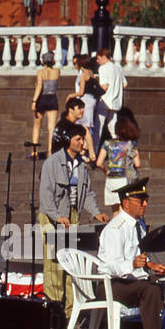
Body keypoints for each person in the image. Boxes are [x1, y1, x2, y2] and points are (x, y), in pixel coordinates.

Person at [38, 126, 108, 316]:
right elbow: (45, 194)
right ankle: (54, 311)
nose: (82, 143)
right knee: (54, 264)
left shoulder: (81, 165)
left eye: (83, 139)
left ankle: (70, 312)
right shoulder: (52, 163)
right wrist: (56, 216)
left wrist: (96, 213)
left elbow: (88, 193)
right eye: (78, 139)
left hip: (71, 216)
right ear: (68, 139)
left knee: (70, 263)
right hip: (52, 217)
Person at [95, 177, 165, 329]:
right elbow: (112, 265)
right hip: (112, 284)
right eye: (141, 201)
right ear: (126, 203)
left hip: (131, 280)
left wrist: (150, 264)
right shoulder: (115, 229)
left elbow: (137, 252)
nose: (145, 204)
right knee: (150, 290)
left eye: (146, 199)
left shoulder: (139, 224)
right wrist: (133, 264)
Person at [96, 107, 142, 210]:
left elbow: (99, 163)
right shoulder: (131, 144)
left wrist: (106, 171)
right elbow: (138, 164)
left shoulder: (108, 143)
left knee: (115, 211)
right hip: (126, 180)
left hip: (111, 179)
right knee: (125, 210)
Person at [30, 50, 60, 159]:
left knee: (37, 125)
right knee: (51, 127)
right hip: (52, 98)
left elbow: (39, 87)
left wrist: (34, 101)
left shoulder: (41, 72)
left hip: (42, 98)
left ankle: (34, 152)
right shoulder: (57, 71)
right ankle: (50, 151)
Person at [95, 45, 126, 139]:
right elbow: (125, 84)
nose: (97, 61)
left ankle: (94, 153)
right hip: (116, 102)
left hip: (105, 101)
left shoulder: (103, 68)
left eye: (98, 58)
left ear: (104, 57)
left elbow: (104, 86)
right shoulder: (118, 68)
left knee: (98, 128)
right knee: (113, 129)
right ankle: (120, 151)